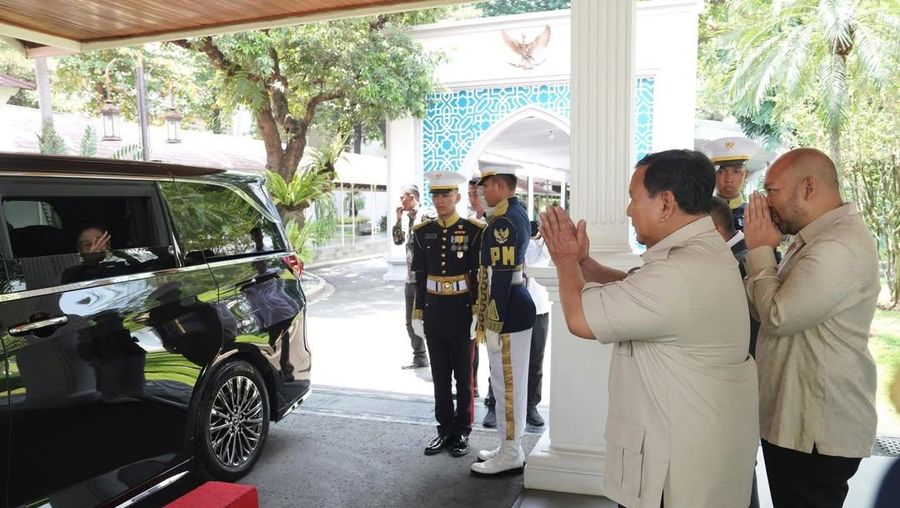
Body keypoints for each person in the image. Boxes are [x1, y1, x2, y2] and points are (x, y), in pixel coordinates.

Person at [540, 149, 759, 507]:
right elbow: (635, 287)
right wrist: (583, 262)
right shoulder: (697, 253)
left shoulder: (678, 272)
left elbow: (579, 320)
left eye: (633, 198)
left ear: (666, 203)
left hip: (678, 468)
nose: (628, 210)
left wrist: (564, 260)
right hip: (696, 449)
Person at [743, 148, 880, 508]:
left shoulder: (838, 245)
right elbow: (764, 307)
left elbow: (776, 316)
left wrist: (759, 249)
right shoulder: (812, 238)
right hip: (796, 424)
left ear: (807, 187)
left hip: (815, 430)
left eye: (770, 191)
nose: (763, 202)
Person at [411, 171, 483, 458]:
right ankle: (444, 430)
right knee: (440, 376)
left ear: (458, 196)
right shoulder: (422, 232)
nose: (440, 200)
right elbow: (420, 275)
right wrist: (417, 311)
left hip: (463, 312)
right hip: (434, 311)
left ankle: (462, 431)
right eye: (436, 195)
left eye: (445, 194)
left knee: (464, 377)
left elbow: (478, 275)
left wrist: (478, 310)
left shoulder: (474, 230)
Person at [470, 165, 535, 476]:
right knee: (507, 382)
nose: (482, 194)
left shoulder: (505, 221)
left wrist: (493, 323)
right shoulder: (513, 213)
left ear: (499, 185)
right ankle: (509, 444)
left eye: (486, 188)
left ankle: (510, 451)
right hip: (512, 307)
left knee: (507, 385)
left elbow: (502, 276)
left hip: (507, 309)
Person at [392, 184, 431, 370]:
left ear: (411, 197)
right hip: (410, 278)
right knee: (410, 321)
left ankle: (435, 356)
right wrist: (398, 220)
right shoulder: (408, 219)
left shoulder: (426, 215)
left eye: (402, 198)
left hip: (424, 278)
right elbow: (398, 241)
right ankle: (419, 356)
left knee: (427, 319)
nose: (400, 202)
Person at [703, 136, 760, 231]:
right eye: (721, 171)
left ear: (745, 175)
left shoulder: (754, 215)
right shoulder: (701, 213)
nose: (729, 179)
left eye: (736, 172)